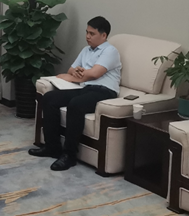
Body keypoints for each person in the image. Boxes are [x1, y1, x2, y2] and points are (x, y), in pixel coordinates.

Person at [28, 16, 121, 171]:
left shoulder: (110, 51)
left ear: (104, 35)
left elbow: (95, 73)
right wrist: (76, 72)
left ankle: (69, 155)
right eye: (87, 32)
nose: (87, 36)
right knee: (50, 98)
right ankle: (52, 147)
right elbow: (72, 69)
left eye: (92, 33)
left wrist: (72, 77)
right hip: (85, 88)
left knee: (76, 104)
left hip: (104, 91)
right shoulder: (86, 50)